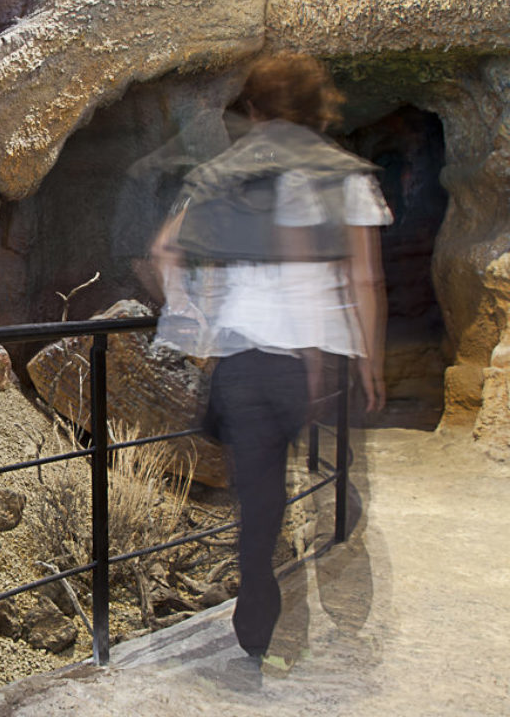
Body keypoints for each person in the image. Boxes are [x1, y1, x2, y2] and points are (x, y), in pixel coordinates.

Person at [148, 52, 391, 665]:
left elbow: (166, 249)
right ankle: (346, 612)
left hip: (245, 360)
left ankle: (258, 628)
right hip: (321, 361)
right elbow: (365, 278)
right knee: (335, 475)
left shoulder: (222, 176)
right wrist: (371, 361)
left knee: (260, 502)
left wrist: (194, 315)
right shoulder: (345, 177)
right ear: (318, 109)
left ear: (253, 111)